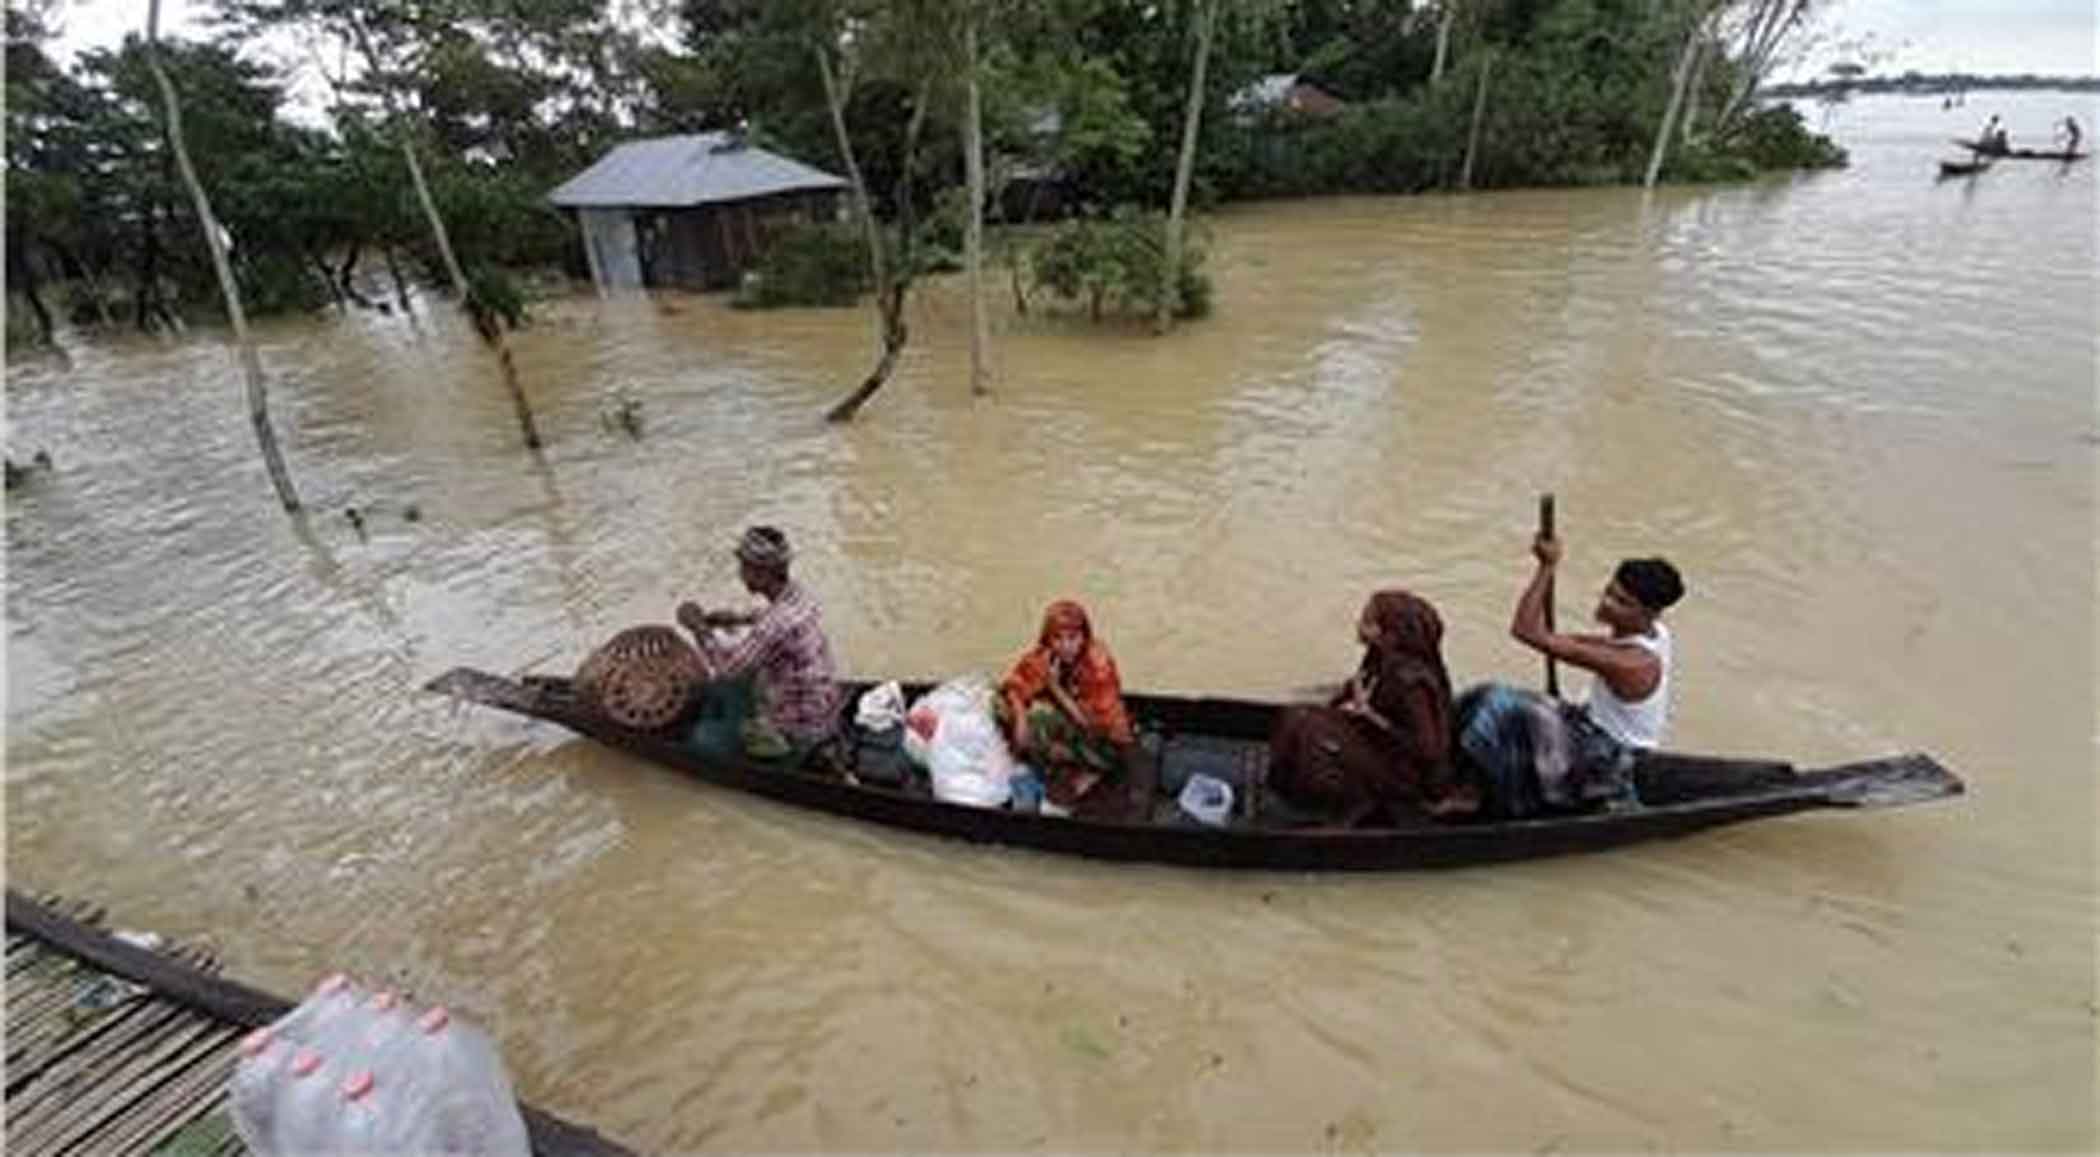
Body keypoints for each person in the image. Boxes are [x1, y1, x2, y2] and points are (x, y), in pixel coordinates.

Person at [1452, 534, 1684, 817]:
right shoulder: (1654, 634)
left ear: (1649, 614)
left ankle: (1472, 796)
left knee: (1497, 704)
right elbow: (1556, 640)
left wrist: (1546, 568)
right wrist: (1552, 641)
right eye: (1609, 592)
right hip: (1590, 723)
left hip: (1610, 756)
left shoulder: (1631, 663)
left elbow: (1525, 630)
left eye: (1622, 602)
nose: (1607, 603)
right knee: (1480, 696)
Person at [1265, 590, 1460, 828]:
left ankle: (1347, 809)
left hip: (1409, 776)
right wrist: (1328, 707)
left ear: (1389, 635)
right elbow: (1354, 687)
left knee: (1315, 741)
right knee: (1298, 717)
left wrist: (1371, 716)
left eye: (1368, 621)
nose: (1359, 624)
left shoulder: (1410, 682)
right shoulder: (1379, 657)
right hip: (1382, 746)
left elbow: (1428, 751)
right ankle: (1286, 791)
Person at [675, 526, 841, 765]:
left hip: (798, 730)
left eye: (744, 568)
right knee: (745, 670)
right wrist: (735, 618)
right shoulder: (800, 595)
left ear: (762, 573)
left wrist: (698, 628)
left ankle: (785, 751)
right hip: (824, 708)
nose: (741, 574)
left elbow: (727, 669)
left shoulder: (774, 626)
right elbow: (770, 616)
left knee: (703, 740)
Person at [996, 600, 1134, 807]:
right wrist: (1020, 722)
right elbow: (1014, 686)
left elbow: (1093, 724)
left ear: (1084, 637)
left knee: (1039, 715)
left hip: (1103, 741)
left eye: (1072, 638)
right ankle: (1049, 754)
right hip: (1068, 723)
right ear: (1048, 639)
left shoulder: (1098, 664)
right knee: (999, 705)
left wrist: (1055, 687)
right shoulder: (1046, 656)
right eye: (1057, 639)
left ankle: (1090, 767)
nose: (1065, 646)